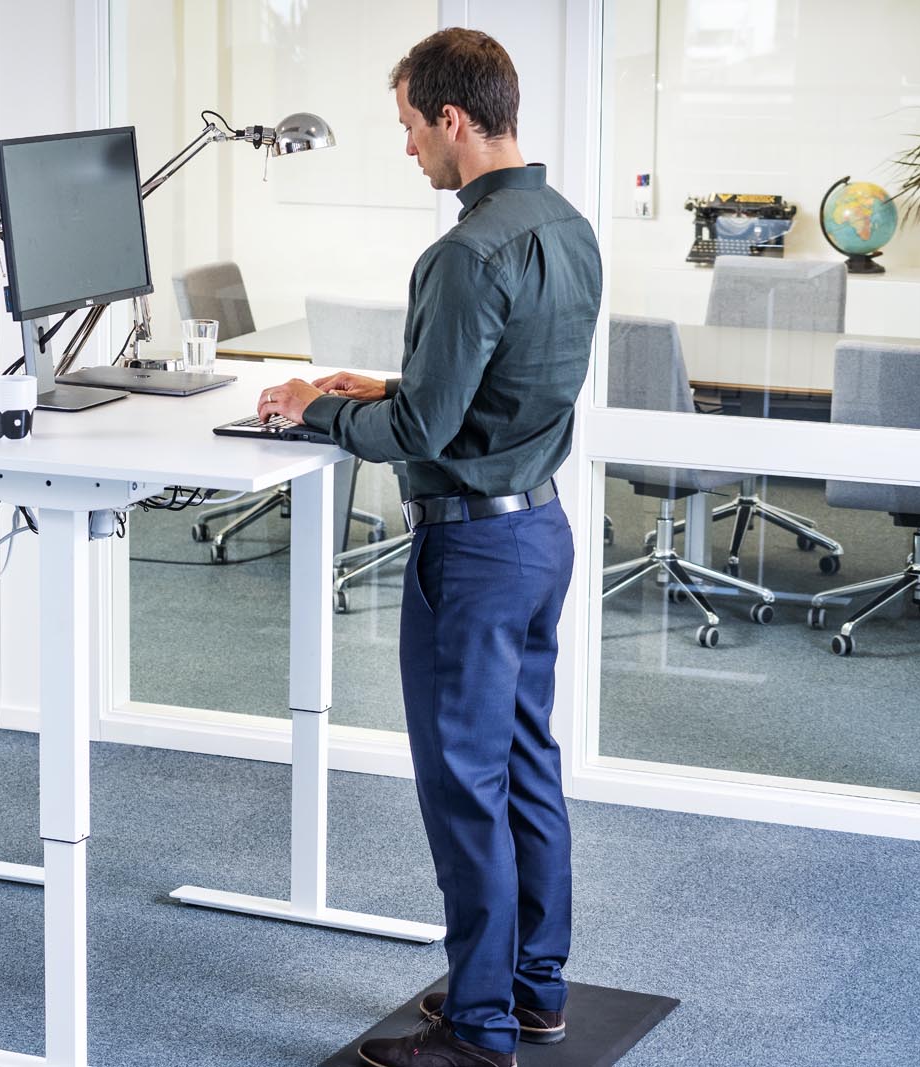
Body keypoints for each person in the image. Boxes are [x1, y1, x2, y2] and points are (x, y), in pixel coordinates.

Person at [256, 29, 602, 1067]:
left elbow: (419, 434)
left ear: (452, 119)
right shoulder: (567, 226)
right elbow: (498, 387)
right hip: (539, 532)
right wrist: (385, 384)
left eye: (410, 127)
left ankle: (481, 1026)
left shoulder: (462, 252)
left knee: (464, 788)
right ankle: (534, 990)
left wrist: (315, 407)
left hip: (473, 556)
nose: (408, 147)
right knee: (527, 768)